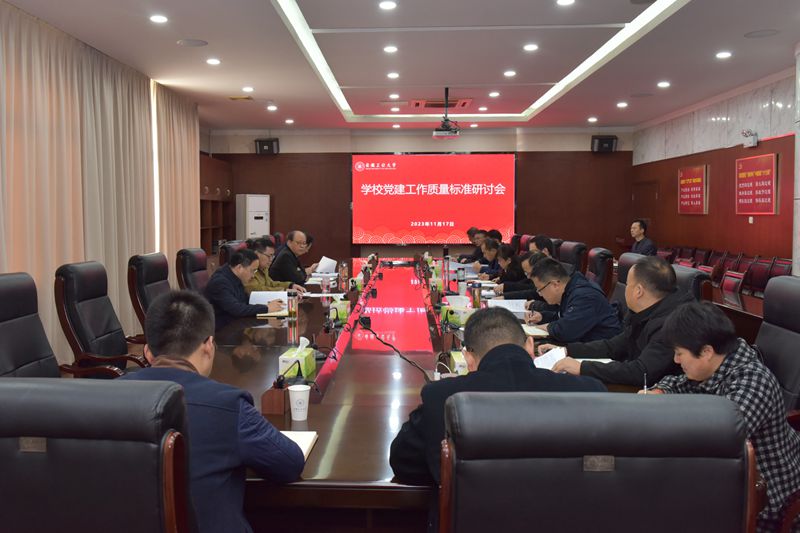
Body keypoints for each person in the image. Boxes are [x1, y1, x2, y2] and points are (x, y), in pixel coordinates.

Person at [120, 290, 305, 533]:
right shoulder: (228, 403)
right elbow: (289, 463)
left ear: (147, 352)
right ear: (209, 345)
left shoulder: (105, 398)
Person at [389, 307, 606, 489]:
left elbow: (404, 463)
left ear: (468, 359)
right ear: (530, 345)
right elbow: (605, 467)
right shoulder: (590, 392)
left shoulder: (443, 397)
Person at [647, 302, 800, 532]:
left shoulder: (753, 382)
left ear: (706, 352)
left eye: (679, 353)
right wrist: (660, 391)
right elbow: (679, 383)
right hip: (730, 479)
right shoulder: (719, 364)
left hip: (765, 498)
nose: (676, 361)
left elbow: (718, 439)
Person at [539, 256, 691, 386]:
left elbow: (641, 372)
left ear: (638, 291)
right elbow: (613, 346)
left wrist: (582, 367)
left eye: (627, 285)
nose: (624, 289)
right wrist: (567, 351)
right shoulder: (644, 313)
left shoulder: (671, 324)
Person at [527, 258, 622, 343]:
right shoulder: (571, 289)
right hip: (585, 345)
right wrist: (542, 317)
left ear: (555, 285)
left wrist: (545, 327)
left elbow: (565, 331)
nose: (539, 294)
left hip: (600, 352)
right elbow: (566, 317)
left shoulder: (585, 296)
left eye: (540, 289)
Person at [205, 249, 283, 329]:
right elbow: (237, 309)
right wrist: (266, 308)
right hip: (222, 329)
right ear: (239, 268)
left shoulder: (235, 277)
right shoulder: (220, 282)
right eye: (252, 271)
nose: (253, 276)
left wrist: (270, 303)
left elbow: (245, 301)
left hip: (236, 323)